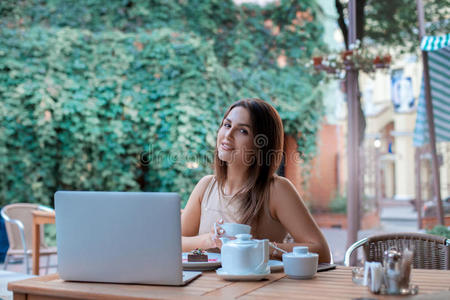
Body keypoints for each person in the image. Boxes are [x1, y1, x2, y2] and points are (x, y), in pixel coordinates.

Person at [181, 98, 331, 263]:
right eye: (227, 125)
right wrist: (208, 240)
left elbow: (321, 251)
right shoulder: (206, 186)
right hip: (205, 287)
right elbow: (175, 242)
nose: (228, 135)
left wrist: (259, 247)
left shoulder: (276, 189)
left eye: (243, 131)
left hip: (257, 287)